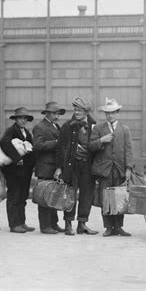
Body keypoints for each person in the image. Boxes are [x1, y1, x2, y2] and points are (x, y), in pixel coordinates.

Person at [89, 98, 133, 237]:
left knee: (119, 199)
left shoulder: (125, 129)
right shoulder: (98, 128)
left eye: (113, 113)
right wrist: (101, 140)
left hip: (119, 169)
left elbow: (129, 150)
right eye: (107, 113)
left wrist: (128, 168)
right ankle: (108, 227)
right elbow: (90, 146)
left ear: (118, 113)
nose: (110, 115)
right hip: (104, 170)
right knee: (106, 199)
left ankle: (118, 227)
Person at [56, 98, 98, 236]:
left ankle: (82, 224)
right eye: (75, 110)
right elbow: (61, 147)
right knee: (69, 194)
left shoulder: (94, 125)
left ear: (86, 112)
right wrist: (60, 167)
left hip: (87, 166)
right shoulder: (68, 126)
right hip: (72, 166)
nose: (76, 112)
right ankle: (68, 223)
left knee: (87, 195)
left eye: (79, 110)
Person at [32, 102, 66, 234]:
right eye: (55, 113)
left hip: (53, 167)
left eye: (58, 113)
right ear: (47, 113)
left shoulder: (55, 125)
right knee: (44, 196)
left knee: (53, 196)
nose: (57, 115)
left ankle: (53, 223)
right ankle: (45, 226)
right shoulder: (40, 127)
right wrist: (57, 143)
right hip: (45, 166)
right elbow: (38, 146)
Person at [0, 107, 35, 233]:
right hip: (13, 170)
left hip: (25, 171)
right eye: (20, 118)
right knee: (14, 196)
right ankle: (14, 224)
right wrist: (16, 158)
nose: (23, 120)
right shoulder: (11, 130)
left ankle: (21, 222)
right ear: (16, 119)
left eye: (25, 118)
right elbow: (4, 143)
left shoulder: (26, 131)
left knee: (22, 197)